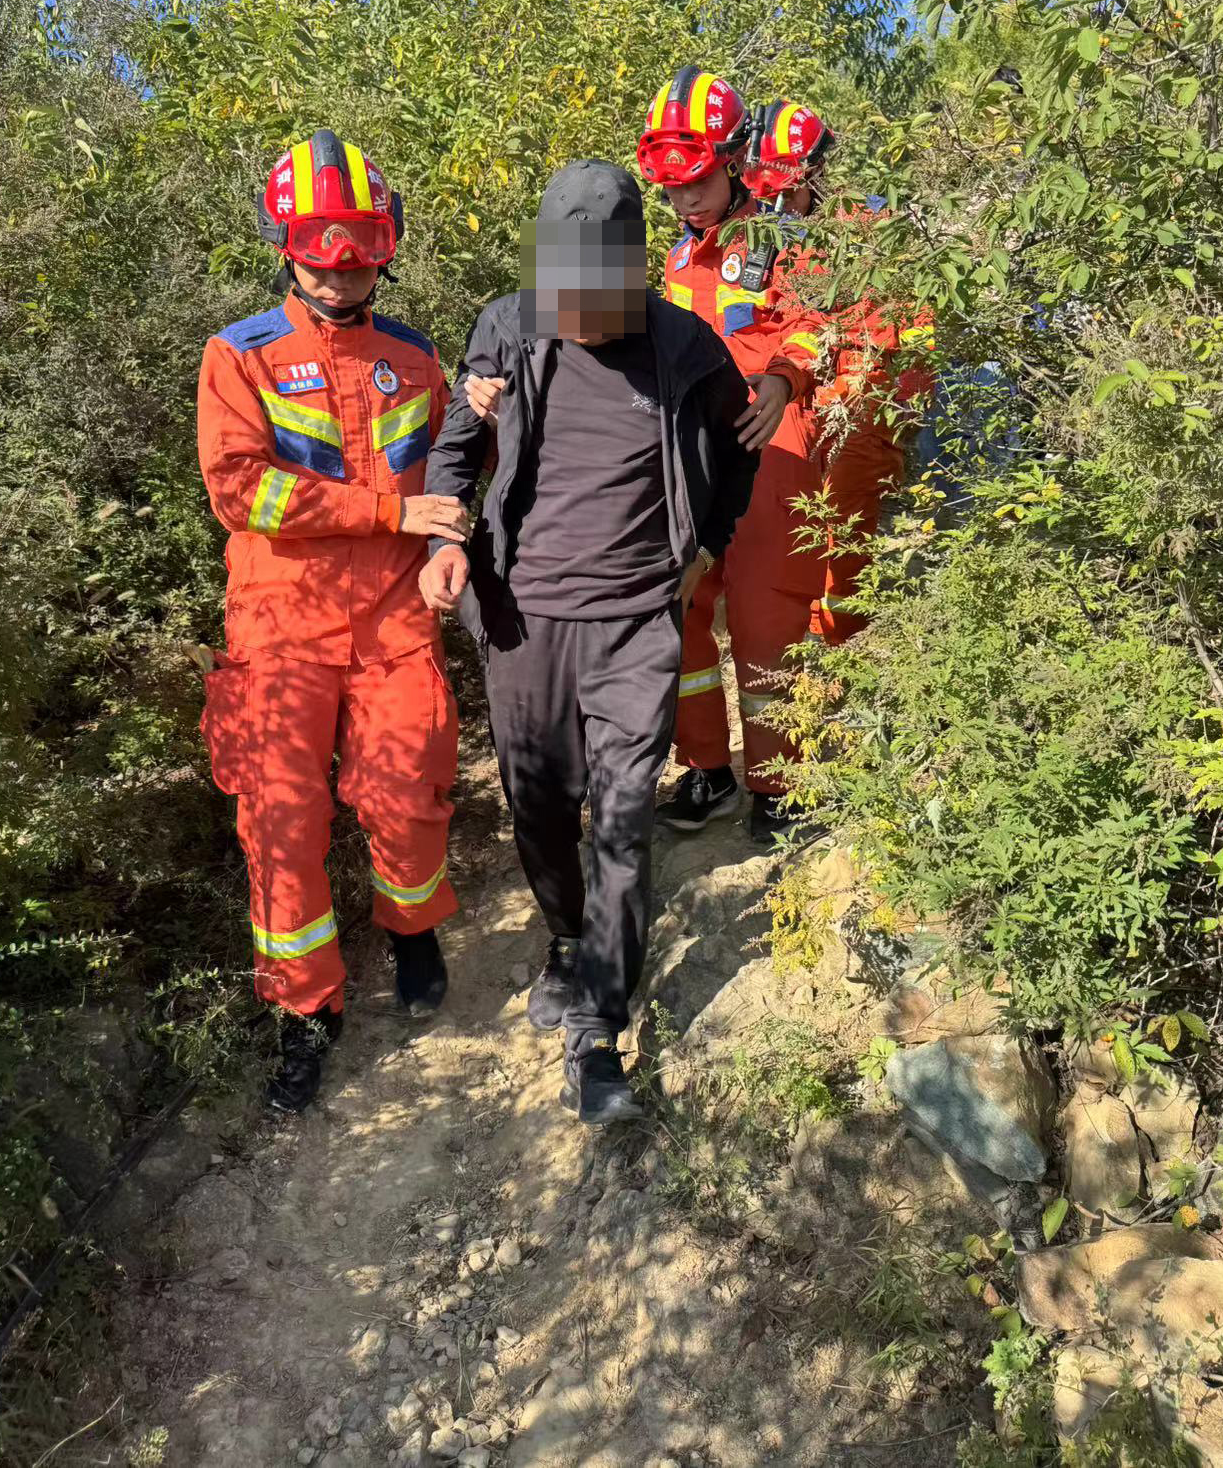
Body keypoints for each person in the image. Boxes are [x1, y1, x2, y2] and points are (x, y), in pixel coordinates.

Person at [419, 159, 757, 1125]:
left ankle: (601, 1022)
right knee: (538, 805)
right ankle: (567, 941)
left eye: (591, 300)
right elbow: (456, 438)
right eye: (558, 295)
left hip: (637, 623)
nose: (573, 315)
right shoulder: (507, 325)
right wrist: (446, 539)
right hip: (523, 619)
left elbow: (739, 447)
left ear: (631, 276)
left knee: (621, 816)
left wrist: (709, 549)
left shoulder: (684, 345)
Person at [196, 129, 469, 1115]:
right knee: (279, 825)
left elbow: (451, 472)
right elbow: (240, 493)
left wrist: (447, 546)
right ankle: (305, 1011)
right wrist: (388, 515)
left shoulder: (412, 355)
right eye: (322, 241)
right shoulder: (239, 355)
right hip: (279, 627)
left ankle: (410, 930)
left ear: (386, 241)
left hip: (394, 618)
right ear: (286, 242)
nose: (343, 263)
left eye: (360, 240)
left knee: (407, 789)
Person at [635, 68, 826, 842]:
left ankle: (782, 786)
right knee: (680, 604)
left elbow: (816, 321)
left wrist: (785, 378)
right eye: (673, 189)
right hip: (696, 448)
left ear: (735, 157)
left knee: (765, 614)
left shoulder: (782, 240)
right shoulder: (678, 262)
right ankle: (708, 767)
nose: (686, 201)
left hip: (769, 438)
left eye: (700, 181)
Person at [741, 99, 926, 646]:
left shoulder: (874, 229)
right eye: (767, 192)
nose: (777, 203)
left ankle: (840, 656)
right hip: (799, 405)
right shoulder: (774, 237)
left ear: (815, 173)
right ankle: (796, 651)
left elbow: (909, 328)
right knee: (792, 532)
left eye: (784, 189)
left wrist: (901, 407)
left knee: (843, 537)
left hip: (863, 410)